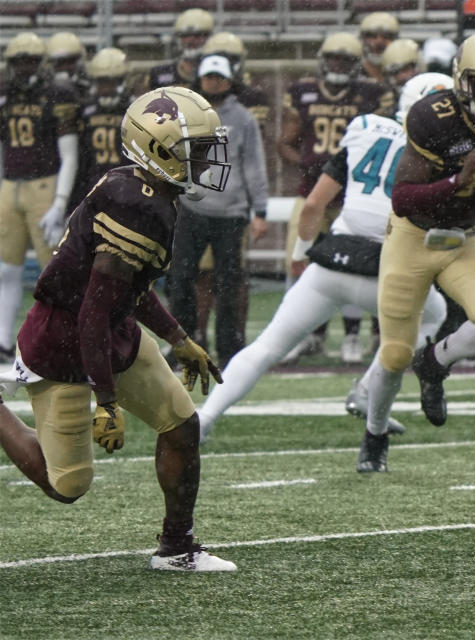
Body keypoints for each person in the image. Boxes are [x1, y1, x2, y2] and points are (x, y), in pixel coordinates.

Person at [0, 86, 236, 571]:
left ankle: (176, 547)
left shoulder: (142, 187)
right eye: (198, 150)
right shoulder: (140, 207)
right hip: (64, 344)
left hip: (113, 329)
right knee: (67, 485)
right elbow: (90, 312)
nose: (208, 161)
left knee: (181, 423)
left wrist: (178, 338)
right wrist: (104, 400)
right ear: (158, 150)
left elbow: (126, 290)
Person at [197, 73, 451, 454]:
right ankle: (366, 390)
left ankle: (204, 418)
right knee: (437, 313)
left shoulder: (366, 130)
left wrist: (301, 253)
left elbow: (315, 204)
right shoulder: (445, 153)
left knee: (266, 348)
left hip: (332, 263)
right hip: (389, 272)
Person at [366, 33, 475, 461]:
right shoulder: (434, 117)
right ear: (462, 81)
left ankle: (433, 364)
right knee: (392, 354)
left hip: (465, 234)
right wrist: (457, 181)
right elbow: (403, 198)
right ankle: (375, 434)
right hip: (412, 236)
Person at [279, 32, 394, 365]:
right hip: (313, 192)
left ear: (356, 63)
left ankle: (353, 336)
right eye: (333, 58)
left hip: (352, 197)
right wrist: (310, 166)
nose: (337, 65)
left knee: (353, 268)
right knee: (298, 265)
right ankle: (299, 336)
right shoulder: (302, 91)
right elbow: (285, 141)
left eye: (344, 59)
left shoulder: (371, 94)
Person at [166, 55, 269, 368]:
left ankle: (230, 348)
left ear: (229, 80)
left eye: (218, 77)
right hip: (190, 207)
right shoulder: (184, 113)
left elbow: (253, 163)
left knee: (229, 284)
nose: (213, 82)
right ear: (200, 79)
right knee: (180, 279)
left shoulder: (243, 118)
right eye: (208, 77)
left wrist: (260, 209)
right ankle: (184, 344)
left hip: (231, 213)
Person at [0, 32, 80, 363]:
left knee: (53, 269)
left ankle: (59, 337)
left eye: (30, 60)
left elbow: (69, 153)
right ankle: (4, 341)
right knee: (5, 269)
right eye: (19, 61)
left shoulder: (57, 94)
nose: (24, 67)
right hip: (9, 184)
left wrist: (60, 201)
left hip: (44, 184)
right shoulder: (4, 92)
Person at [74, 47, 135, 198]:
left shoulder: (134, 110)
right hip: (95, 184)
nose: (106, 88)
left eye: (111, 82)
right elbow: (83, 158)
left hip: (127, 186)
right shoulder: (86, 111)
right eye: (102, 82)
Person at [145, 8, 214, 91]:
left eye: (197, 35)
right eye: (185, 35)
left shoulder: (216, 73)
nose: (190, 41)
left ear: (209, 37)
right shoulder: (159, 73)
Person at [358, 12, 400, 83]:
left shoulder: (403, 70)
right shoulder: (354, 70)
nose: (379, 41)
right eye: (372, 35)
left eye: (386, 36)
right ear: (363, 39)